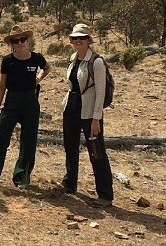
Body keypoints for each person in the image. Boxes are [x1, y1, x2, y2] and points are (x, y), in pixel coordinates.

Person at [0, 25, 50, 188]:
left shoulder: (36, 58)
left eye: (23, 39)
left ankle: (22, 178)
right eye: (16, 40)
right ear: (12, 44)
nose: (20, 43)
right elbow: (1, 86)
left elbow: (47, 68)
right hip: (11, 102)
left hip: (30, 102)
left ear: (27, 40)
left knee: (28, 141)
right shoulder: (8, 61)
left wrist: (38, 80)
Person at [60, 23, 113, 208]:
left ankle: (105, 195)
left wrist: (96, 118)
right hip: (72, 109)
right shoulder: (74, 58)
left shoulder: (96, 62)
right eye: (75, 38)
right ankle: (70, 183)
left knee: (96, 152)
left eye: (81, 38)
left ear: (89, 40)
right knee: (70, 147)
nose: (78, 41)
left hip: (90, 112)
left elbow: (100, 91)